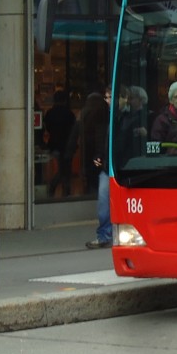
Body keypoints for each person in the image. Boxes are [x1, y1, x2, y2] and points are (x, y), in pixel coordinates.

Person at [67, 91, 111, 249]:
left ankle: (107, 234)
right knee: (104, 201)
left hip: (102, 161)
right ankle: (106, 234)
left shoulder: (89, 114)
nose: (108, 101)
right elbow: (101, 139)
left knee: (104, 200)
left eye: (110, 97)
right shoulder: (102, 115)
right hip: (105, 162)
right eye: (106, 97)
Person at [43, 90, 76, 198]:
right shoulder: (69, 114)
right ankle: (65, 191)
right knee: (65, 170)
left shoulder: (50, 113)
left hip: (54, 145)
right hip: (67, 145)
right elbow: (73, 130)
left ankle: (55, 189)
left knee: (60, 170)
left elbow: (47, 128)